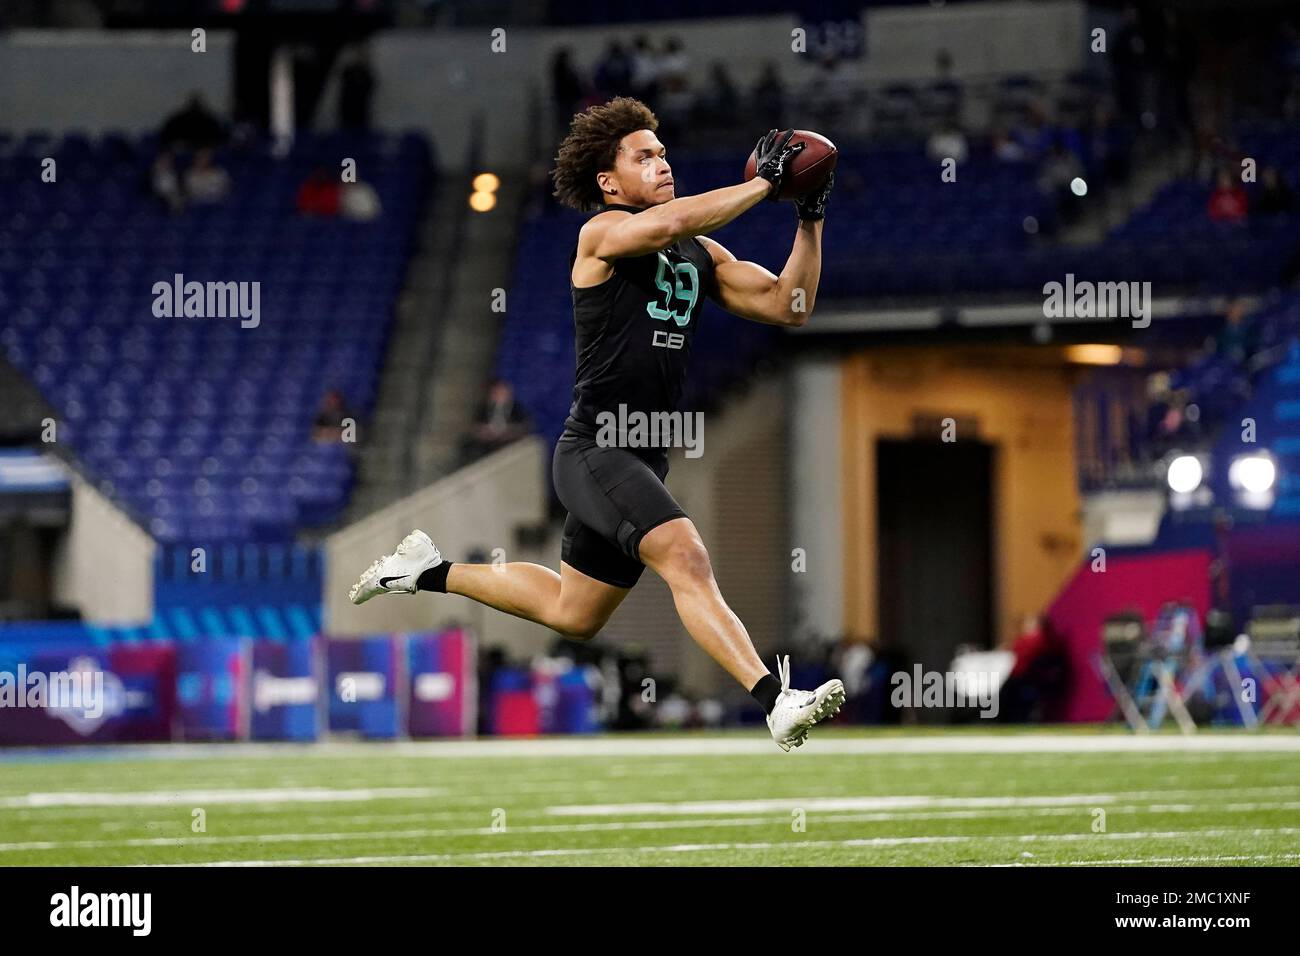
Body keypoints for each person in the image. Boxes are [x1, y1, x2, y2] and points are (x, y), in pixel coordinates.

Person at [350, 97, 843, 751]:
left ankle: (425, 570)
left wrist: (808, 213)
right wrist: (763, 183)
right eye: (644, 156)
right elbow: (665, 226)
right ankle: (774, 701)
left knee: (571, 613)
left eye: (663, 153)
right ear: (609, 182)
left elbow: (792, 305)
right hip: (598, 448)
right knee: (687, 558)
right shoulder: (602, 234)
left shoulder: (698, 249)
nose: (662, 163)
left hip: (646, 455)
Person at [461, 378, 532, 463]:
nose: (499, 394)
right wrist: (484, 431)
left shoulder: (517, 408)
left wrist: (508, 430)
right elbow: (475, 426)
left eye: (502, 391)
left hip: (508, 440)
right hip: (488, 440)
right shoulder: (484, 407)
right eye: (496, 391)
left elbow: (524, 426)